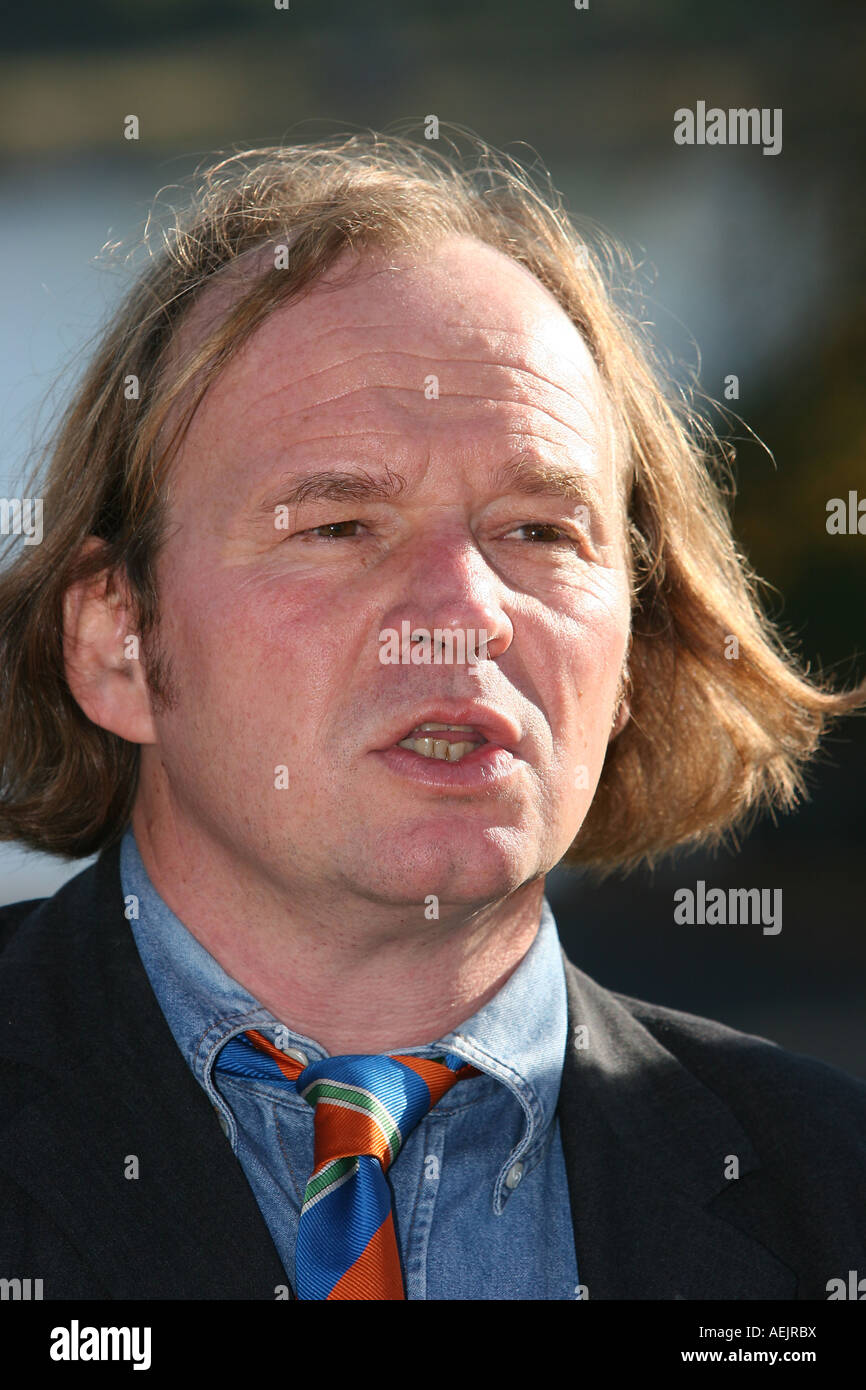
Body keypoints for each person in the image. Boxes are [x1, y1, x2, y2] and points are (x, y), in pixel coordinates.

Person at [0, 132, 863, 1301]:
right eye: (339, 525)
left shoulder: (831, 1195)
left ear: (629, 653)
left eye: (539, 532)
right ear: (117, 639)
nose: (465, 614)